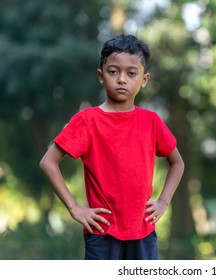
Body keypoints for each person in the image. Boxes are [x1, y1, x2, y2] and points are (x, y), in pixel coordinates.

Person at [39, 34, 185, 260]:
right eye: (113, 71)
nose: (122, 79)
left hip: (143, 232)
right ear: (101, 76)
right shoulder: (87, 120)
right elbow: (48, 162)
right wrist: (75, 208)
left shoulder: (151, 121)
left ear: (144, 79)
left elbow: (177, 163)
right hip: (101, 232)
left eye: (131, 73)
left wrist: (163, 202)